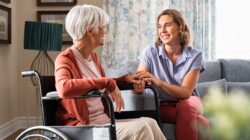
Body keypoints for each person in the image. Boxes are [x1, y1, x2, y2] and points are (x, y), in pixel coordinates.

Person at [54, 4, 166, 140]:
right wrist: (107, 81)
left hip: (103, 122)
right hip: (84, 128)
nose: (106, 31)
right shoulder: (65, 59)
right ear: (90, 30)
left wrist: (124, 79)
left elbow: (100, 85)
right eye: (103, 27)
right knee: (141, 129)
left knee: (150, 122)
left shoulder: (92, 57)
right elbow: (64, 89)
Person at [135, 9, 209, 140]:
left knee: (185, 106)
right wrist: (138, 85)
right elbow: (138, 80)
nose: (162, 30)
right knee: (201, 123)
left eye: (168, 25)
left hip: (190, 101)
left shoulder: (195, 55)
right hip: (163, 105)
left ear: (180, 27)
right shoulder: (150, 52)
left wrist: (159, 82)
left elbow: (186, 93)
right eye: (159, 26)